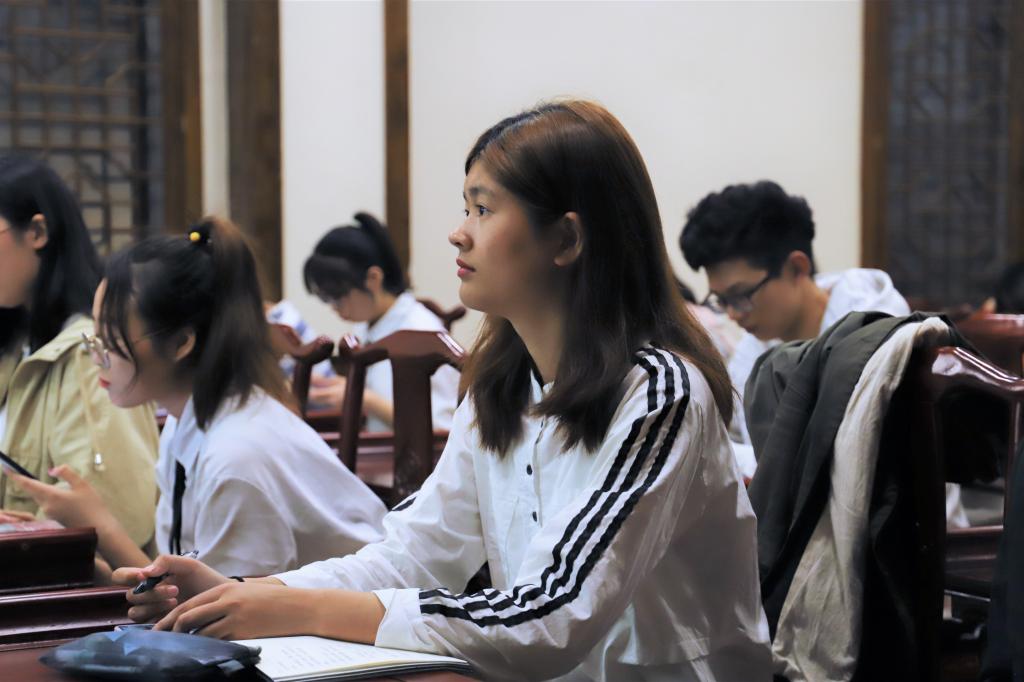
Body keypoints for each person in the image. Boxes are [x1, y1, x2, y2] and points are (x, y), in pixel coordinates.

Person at [115, 101, 772, 682]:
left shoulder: (659, 394)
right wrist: (248, 593)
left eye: (483, 209)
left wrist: (301, 608)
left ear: (567, 238)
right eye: (466, 208)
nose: (459, 232)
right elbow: (419, 552)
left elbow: (549, 618)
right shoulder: (500, 386)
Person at [9, 217, 386, 576]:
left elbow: (222, 610)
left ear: (181, 343)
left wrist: (102, 527)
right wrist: (78, 552)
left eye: (110, 340)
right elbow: (182, 589)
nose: (95, 358)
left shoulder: (236, 456)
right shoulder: (185, 423)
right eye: (95, 339)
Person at [679, 181, 910, 475]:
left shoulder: (873, 333)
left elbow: (822, 466)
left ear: (797, 267)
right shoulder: (758, 343)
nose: (733, 314)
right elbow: (731, 432)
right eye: (722, 300)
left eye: (741, 295)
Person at [0, 155, 158, 548]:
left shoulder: (90, 354)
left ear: (37, 232)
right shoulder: (18, 344)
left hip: (63, 578)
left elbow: (117, 517)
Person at [303, 212, 459, 431]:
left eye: (338, 296)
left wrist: (366, 399)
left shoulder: (421, 333)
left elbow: (443, 431)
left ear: (373, 279)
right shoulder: (369, 324)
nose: (334, 308)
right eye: (326, 298)